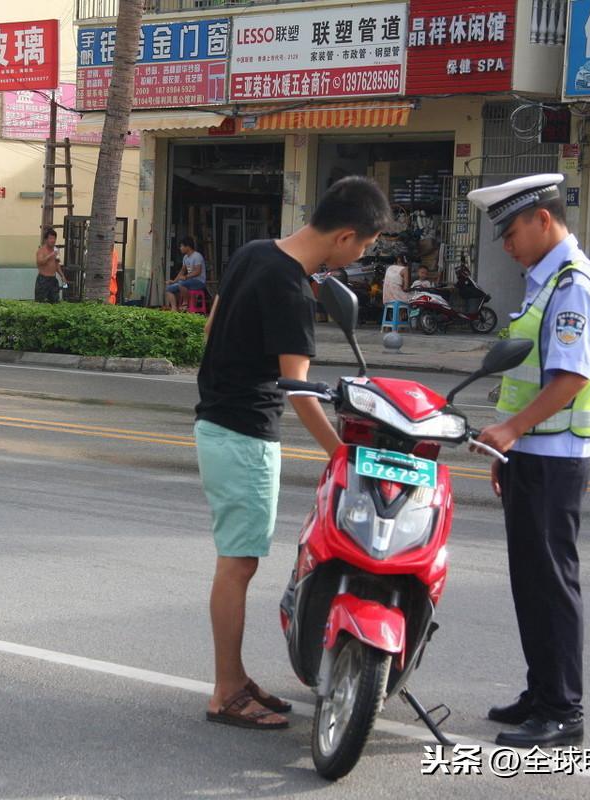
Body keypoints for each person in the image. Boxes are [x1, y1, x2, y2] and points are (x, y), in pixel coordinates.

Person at [196, 176, 390, 730]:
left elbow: (213, 326)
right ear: (346, 236)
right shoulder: (290, 288)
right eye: (364, 248)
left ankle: (234, 677)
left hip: (222, 422)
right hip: (243, 434)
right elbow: (300, 391)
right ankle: (227, 692)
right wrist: (343, 455)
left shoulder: (256, 252)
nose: (358, 259)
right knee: (238, 564)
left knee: (240, 560)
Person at [468, 173, 590, 748]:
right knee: (531, 580)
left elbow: (571, 376)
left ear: (543, 220)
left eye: (512, 230)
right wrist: (512, 445)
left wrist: (510, 430)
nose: (506, 244)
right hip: (532, 452)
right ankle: (540, 691)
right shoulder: (544, 280)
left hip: (555, 458)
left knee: (551, 583)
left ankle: (562, 711)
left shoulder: (572, 284)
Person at [165, 236, 207, 311]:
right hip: (188, 282)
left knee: (182, 283)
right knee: (169, 289)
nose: (180, 248)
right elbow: (182, 271)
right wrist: (174, 281)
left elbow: (198, 271)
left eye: (181, 246)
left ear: (187, 246)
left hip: (199, 281)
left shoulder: (197, 256)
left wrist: (186, 277)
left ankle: (185, 303)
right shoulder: (185, 257)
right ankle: (174, 309)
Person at [34, 228, 68, 303]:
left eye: (54, 238)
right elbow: (39, 262)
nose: (53, 240)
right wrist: (50, 255)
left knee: (55, 301)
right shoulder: (41, 251)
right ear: (46, 240)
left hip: (53, 279)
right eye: (51, 238)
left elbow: (57, 265)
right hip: (43, 279)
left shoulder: (56, 250)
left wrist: (62, 276)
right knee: (41, 301)